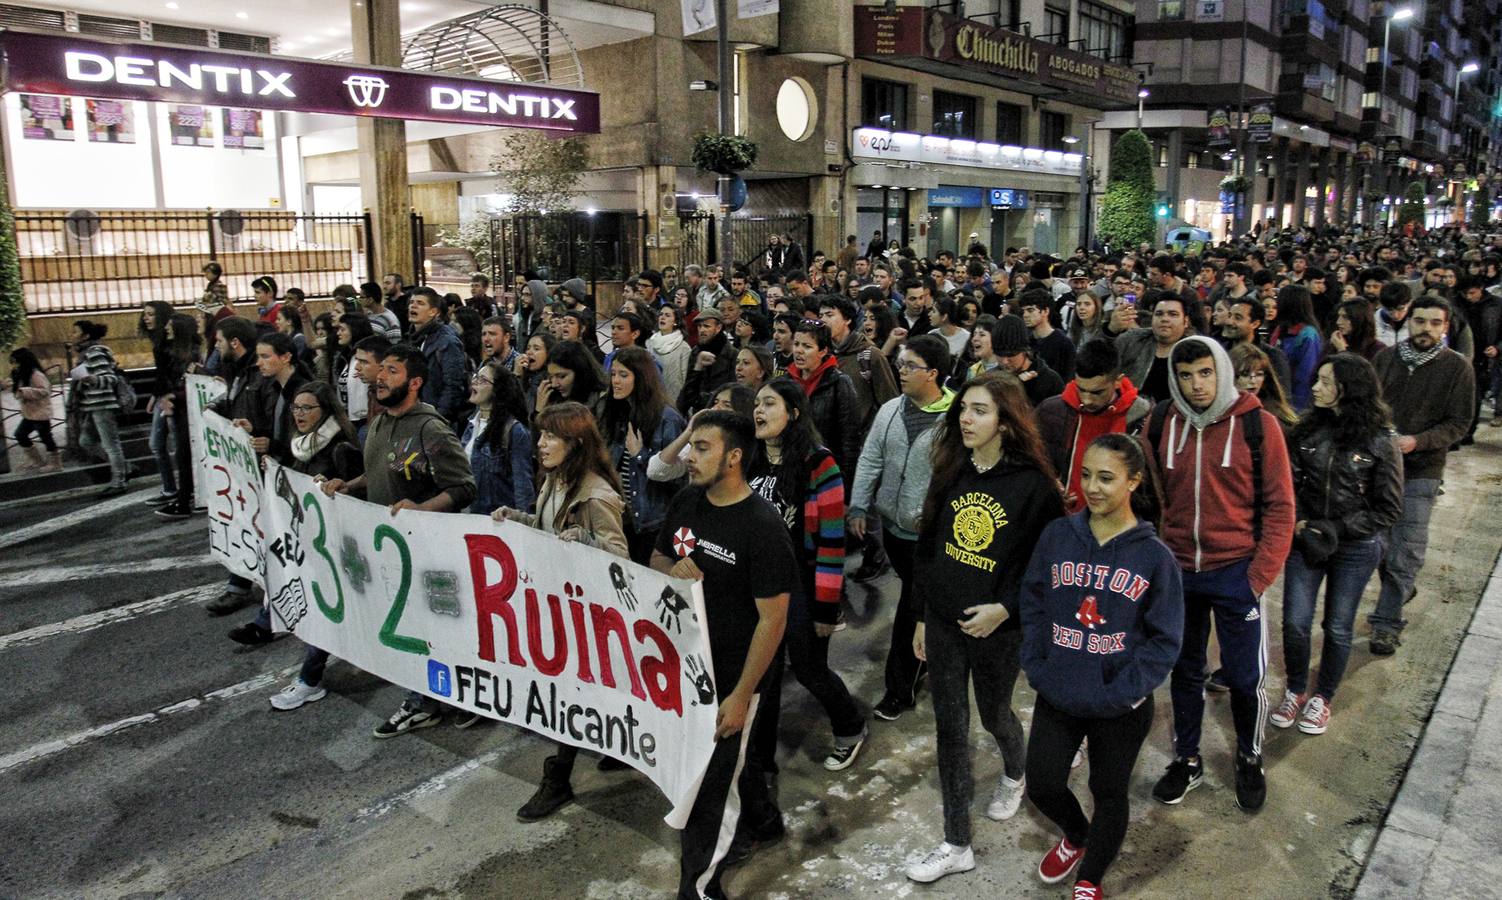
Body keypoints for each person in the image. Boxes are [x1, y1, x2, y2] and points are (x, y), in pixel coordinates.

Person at [906, 371, 1066, 884]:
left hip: (999, 627)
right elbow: (927, 548)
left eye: (979, 410)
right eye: (964, 410)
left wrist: (1006, 608)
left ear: (1006, 420)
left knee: (996, 714)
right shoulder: (950, 467)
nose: (966, 419)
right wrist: (918, 615)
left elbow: (1047, 567)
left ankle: (1015, 773)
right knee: (950, 728)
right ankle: (957, 842)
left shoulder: (1034, 485)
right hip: (945, 621)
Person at [1020, 434, 1183, 899]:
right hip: (1060, 689)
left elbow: (1165, 640)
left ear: (1133, 481)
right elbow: (1032, 600)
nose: (1092, 487)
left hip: (1120, 704)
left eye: (1106, 478)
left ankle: (1091, 876)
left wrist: (1122, 690)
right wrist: (1038, 663)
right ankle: (1076, 835)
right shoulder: (1057, 535)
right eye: (1086, 475)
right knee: (1044, 783)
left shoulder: (1154, 557)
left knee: (1108, 791)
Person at [1144, 336, 1294, 814]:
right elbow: (1151, 497)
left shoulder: (1258, 425)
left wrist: (1258, 576)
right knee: (1184, 671)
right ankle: (1187, 758)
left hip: (1236, 573)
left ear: (1222, 371)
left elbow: (1281, 506)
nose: (1196, 384)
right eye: (1186, 375)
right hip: (1179, 573)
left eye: (1205, 373)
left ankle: (1249, 756)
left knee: (1247, 677)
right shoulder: (1160, 422)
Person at [650, 411, 795, 900]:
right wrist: (674, 569)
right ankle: (765, 821)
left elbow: (773, 621)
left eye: (703, 447)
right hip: (691, 665)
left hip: (736, 673)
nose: (689, 456)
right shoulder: (687, 500)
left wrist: (741, 695)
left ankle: (699, 887)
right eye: (692, 445)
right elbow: (656, 558)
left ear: (734, 457)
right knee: (726, 766)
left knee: (711, 787)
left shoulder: (763, 527)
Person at [320, 345, 477, 735]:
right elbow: (380, 472)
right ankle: (436, 697)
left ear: (415, 381)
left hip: (428, 553)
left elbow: (464, 487)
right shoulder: (380, 422)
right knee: (408, 627)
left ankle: (435, 700)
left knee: (437, 630)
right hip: (391, 549)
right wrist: (350, 485)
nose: (381, 377)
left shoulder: (430, 428)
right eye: (382, 370)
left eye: (392, 371)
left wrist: (421, 509)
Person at [491, 402, 631, 817]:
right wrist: (516, 518)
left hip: (590, 612)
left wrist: (587, 540)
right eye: (541, 435)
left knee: (569, 693)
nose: (541, 443)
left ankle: (558, 779)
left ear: (576, 442)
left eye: (551, 436)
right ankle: (619, 744)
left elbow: (621, 558)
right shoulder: (555, 480)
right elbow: (546, 527)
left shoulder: (596, 494)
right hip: (565, 604)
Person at [1273, 355, 1403, 735]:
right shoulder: (1305, 431)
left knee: (1338, 626)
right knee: (1295, 622)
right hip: (1306, 540)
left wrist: (1335, 528)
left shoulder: (1381, 439)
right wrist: (1298, 523)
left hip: (1355, 547)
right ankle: (1296, 689)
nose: (1315, 388)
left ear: (1350, 388)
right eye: (1318, 380)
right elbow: (1288, 486)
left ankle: (1323, 697)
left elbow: (1389, 508)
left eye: (1326, 382)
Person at [849, 335, 954, 721]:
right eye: (901, 364)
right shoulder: (891, 409)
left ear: (933, 374)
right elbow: (871, 457)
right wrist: (860, 502)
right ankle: (925, 657)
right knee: (918, 602)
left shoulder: (957, 416)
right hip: (893, 527)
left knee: (913, 607)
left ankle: (899, 689)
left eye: (910, 366)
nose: (901, 371)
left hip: (931, 536)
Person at [1369, 296, 1475, 656]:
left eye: (1434, 323)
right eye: (1419, 321)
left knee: (1407, 548)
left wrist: (1419, 442)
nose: (1426, 329)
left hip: (1423, 471)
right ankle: (1400, 587)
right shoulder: (1385, 360)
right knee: (1378, 546)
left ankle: (1386, 623)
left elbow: (1460, 422)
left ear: (1445, 327)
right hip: (1379, 468)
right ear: (1408, 323)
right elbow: (1367, 407)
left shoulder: (1457, 368)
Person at [258, 381, 363, 703]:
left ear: (326, 411)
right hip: (310, 545)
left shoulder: (342, 448)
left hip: (338, 549)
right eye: (296, 408)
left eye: (307, 408)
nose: (299, 414)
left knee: (326, 609)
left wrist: (334, 488)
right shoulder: (299, 445)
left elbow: (358, 498)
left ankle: (309, 679)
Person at [1036, 339, 1151, 514]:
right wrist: (1051, 487)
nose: (1087, 399)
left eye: (1097, 392)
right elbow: (1033, 462)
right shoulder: (1051, 412)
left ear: (1118, 381)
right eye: (1081, 389)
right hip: (1063, 519)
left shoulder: (1141, 417)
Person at [603, 346, 686, 564]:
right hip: (624, 519)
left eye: (624, 375)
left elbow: (676, 477)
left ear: (641, 378)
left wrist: (640, 455)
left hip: (655, 524)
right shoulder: (619, 413)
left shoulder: (667, 419)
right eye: (613, 375)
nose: (616, 381)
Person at [786, 321, 861, 482]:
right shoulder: (786, 382)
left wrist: (845, 485)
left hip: (825, 472)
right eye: (796, 344)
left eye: (807, 346)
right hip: (790, 468)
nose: (798, 351)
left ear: (823, 350)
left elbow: (849, 440)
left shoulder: (839, 383)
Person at [461, 362, 535, 517]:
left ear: (497, 390)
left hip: (496, 521)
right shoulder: (470, 424)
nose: (474, 381)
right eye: (475, 377)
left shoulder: (514, 430)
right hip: (468, 515)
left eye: (482, 380)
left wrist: (523, 522)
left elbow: (522, 485)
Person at [151, 314, 205, 520]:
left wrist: (173, 396)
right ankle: (185, 498)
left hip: (189, 411)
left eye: (170, 325)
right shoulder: (174, 353)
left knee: (184, 456)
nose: (166, 328)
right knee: (183, 456)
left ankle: (184, 502)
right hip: (181, 409)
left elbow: (192, 384)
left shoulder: (191, 355)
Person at [69, 320, 129, 495]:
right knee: (86, 441)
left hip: (102, 404)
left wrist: (92, 379)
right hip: (92, 405)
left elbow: (110, 378)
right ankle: (124, 468)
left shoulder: (95, 352)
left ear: (85, 336)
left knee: (111, 444)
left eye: (75, 332)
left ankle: (119, 481)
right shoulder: (85, 353)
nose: (71, 336)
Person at [140, 301, 180, 504]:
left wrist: (159, 397)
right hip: (163, 396)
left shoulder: (168, 341)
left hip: (170, 399)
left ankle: (176, 490)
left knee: (165, 445)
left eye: (151, 314)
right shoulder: (158, 340)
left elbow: (166, 373)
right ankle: (172, 489)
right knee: (159, 444)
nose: (146, 318)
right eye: (145, 314)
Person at [407, 289, 467, 422]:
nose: (413, 306)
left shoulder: (447, 341)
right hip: (416, 414)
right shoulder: (413, 339)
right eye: (411, 302)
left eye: (420, 303)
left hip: (436, 417)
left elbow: (453, 385)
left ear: (433, 312)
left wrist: (440, 417)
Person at [1222, 295, 1294, 399]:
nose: (1229, 322)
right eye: (1229, 316)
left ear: (1255, 324)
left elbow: (1283, 397)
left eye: (1237, 318)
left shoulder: (1273, 356)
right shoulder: (1221, 352)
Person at [1268, 285, 1323, 411]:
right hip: (1277, 398)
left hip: (1295, 404)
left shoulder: (1308, 335)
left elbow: (1305, 376)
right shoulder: (1280, 329)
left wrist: (1296, 410)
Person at [991, 315, 1063, 406]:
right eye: (1000, 355)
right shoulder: (991, 380)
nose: (1005, 361)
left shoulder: (1050, 381)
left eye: (1011, 355)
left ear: (1024, 350)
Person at [10, 348, 61, 473]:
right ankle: (37, 461)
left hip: (40, 412)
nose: (14, 365)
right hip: (30, 413)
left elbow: (44, 391)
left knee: (46, 437)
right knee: (20, 434)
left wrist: (25, 391)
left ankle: (56, 464)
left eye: (15, 362)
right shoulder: (23, 374)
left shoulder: (35, 374)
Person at [678, 307, 739, 413]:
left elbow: (732, 389)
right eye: (699, 326)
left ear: (718, 327)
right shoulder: (696, 352)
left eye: (706, 326)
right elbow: (688, 391)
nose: (701, 330)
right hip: (698, 413)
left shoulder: (732, 354)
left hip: (722, 413)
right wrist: (697, 368)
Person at [537, 340, 608, 422]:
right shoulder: (553, 396)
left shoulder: (601, 400)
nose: (554, 384)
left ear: (580, 373)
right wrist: (539, 412)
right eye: (550, 376)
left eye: (561, 376)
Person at [1019, 291, 1077, 381]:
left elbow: (1069, 378)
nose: (1025, 315)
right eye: (1023, 311)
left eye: (1030, 310)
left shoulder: (1063, 343)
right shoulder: (1025, 342)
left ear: (1045, 311)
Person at [648, 305, 693, 404]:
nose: (662, 317)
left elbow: (686, 380)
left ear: (675, 321)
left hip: (674, 401)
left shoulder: (683, 348)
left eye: (667, 315)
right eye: (661, 314)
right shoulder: (650, 343)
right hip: (652, 399)